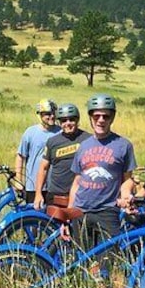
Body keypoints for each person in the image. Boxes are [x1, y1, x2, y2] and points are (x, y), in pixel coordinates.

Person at [66, 94, 136, 248]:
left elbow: (128, 180)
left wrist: (126, 197)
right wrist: (69, 213)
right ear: (90, 117)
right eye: (96, 115)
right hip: (80, 210)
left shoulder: (124, 145)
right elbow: (77, 181)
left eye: (106, 116)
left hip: (107, 211)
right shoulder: (83, 146)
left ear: (112, 118)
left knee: (110, 260)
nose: (101, 120)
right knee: (84, 259)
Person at [33, 103, 90, 210]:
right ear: (59, 122)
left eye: (71, 119)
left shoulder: (88, 140)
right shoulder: (52, 142)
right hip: (55, 195)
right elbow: (43, 168)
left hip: (81, 195)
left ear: (77, 120)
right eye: (64, 120)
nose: (68, 123)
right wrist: (38, 194)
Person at [16, 99, 61, 204]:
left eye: (53, 113)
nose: (52, 116)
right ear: (40, 115)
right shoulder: (30, 133)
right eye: (47, 114)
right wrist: (19, 180)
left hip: (54, 187)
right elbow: (20, 156)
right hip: (33, 186)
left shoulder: (61, 132)